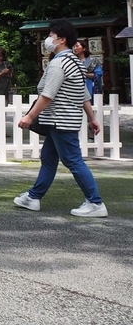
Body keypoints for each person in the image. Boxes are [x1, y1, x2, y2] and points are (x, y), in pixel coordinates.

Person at [15, 20, 106, 217]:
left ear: (61, 39)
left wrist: (29, 116)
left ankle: (95, 202)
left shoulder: (58, 63)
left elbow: (48, 94)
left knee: (72, 160)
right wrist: (92, 118)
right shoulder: (74, 61)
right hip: (65, 119)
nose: (48, 39)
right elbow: (83, 94)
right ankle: (33, 197)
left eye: (51, 35)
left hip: (59, 119)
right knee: (49, 158)